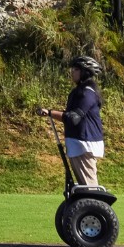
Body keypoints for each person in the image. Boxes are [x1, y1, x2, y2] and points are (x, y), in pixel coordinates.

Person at [38, 55, 105, 188]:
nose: (72, 71)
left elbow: (73, 118)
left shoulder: (87, 93)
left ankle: (95, 209)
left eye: (75, 69)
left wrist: (50, 113)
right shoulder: (80, 92)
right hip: (78, 143)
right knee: (84, 188)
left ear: (84, 71)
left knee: (89, 188)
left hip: (85, 144)